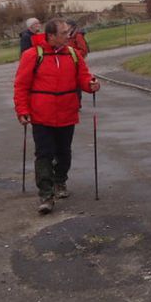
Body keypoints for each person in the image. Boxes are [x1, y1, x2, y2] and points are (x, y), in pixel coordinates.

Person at [14, 17, 100, 214]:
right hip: (41, 114)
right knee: (44, 153)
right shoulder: (32, 55)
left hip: (67, 112)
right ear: (51, 35)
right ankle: (46, 195)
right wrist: (22, 111)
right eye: (64, 33)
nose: (68, 36)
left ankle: (60, 181)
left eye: (68, 33)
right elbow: (21, 85)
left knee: (64, 152)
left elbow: (84, 78)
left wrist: (92, 84)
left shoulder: (73, 54)